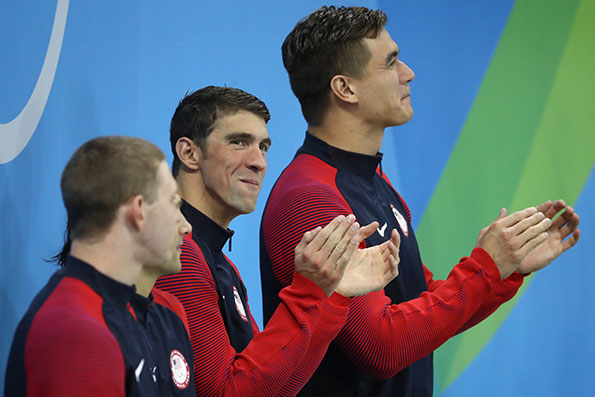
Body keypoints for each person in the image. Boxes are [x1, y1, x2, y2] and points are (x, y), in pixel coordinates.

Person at [259, 6, 581, 397]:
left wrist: (504, 269)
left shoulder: (374, 182)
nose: (408, 73)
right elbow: (383, 347)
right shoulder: (311, 197)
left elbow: (422, 308)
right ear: (346, 89)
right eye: (391, 62)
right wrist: (486, 266)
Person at [155, 85, 400, 396]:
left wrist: (331, 295)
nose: (259, 162)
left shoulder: (218, 262)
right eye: (239, 142)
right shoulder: (181, 255)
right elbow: (227, 393)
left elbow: (276, 387)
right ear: (189, 153)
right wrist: (308, 291)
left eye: (264, 147)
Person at [5, 136, 190, 396]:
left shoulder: (118, 311)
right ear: (139, 210)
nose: (186, 226)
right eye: (173, 203)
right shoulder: (78, 335)